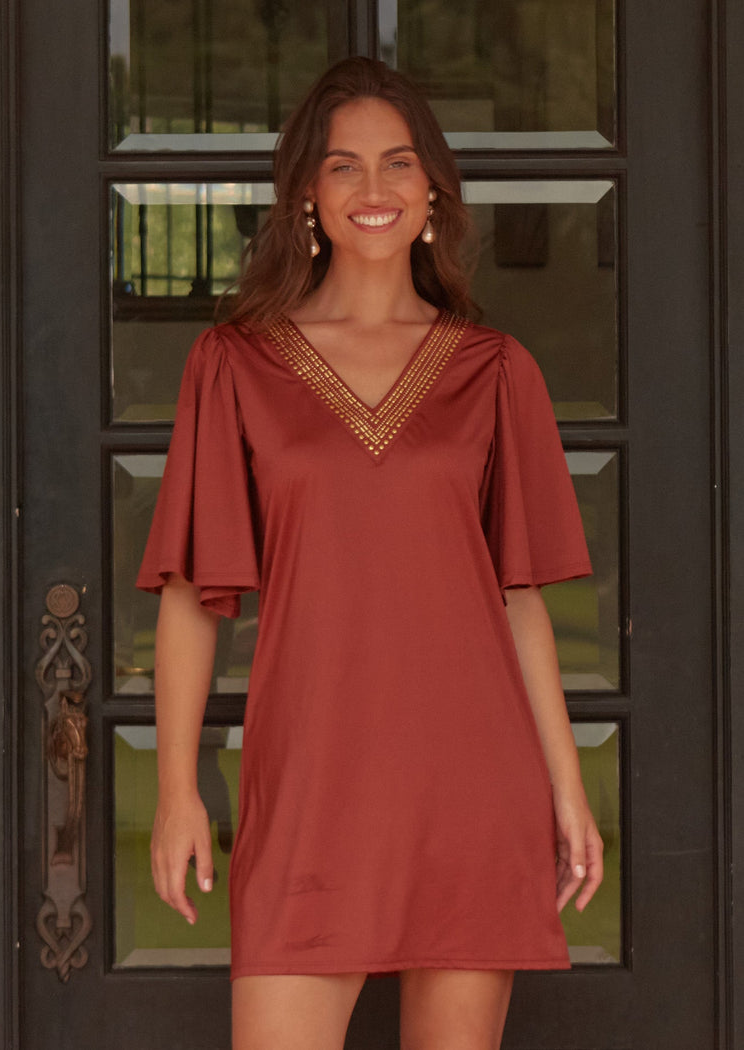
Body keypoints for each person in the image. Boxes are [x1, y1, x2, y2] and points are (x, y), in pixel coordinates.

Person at [137, 56, 603, 1050]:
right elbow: (190, 592)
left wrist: (567, 790)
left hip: (472, 786)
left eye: (398, 163)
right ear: (307, 193)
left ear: (433, 189)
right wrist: (178, 791)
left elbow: (515, 596)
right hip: (311, 782)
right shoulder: (235, 364)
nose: (374, 189)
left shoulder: (494, 371)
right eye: (343, 166)